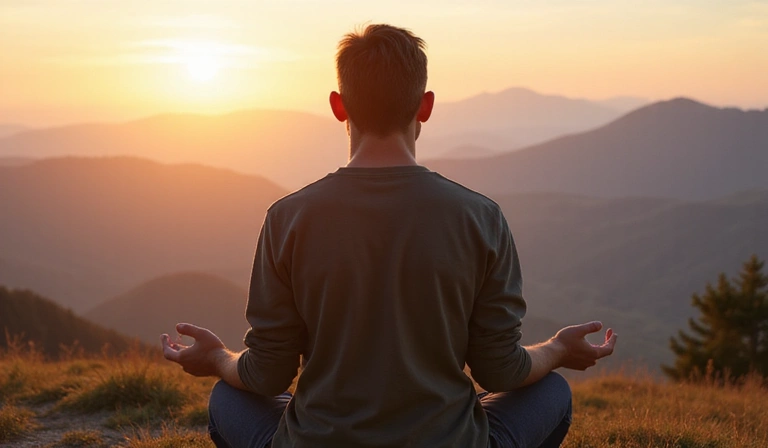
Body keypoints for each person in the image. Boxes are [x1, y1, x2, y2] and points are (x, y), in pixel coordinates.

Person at [161, 24, 617, 448]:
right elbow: (500, 370)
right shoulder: (480, 217)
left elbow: (266, 376)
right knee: (552, 390)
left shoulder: (288, 217)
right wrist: (557, 349)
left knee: (227, 398)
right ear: (426, 106)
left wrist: (219, 357)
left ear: (339, 106)